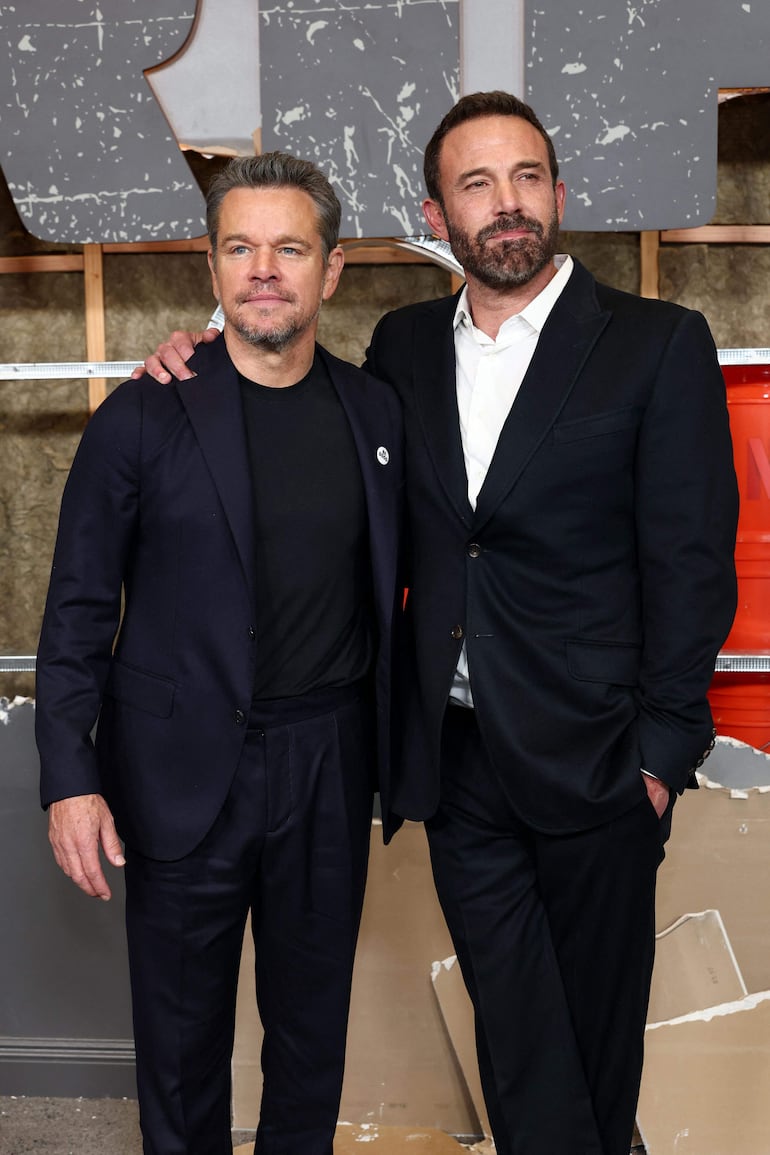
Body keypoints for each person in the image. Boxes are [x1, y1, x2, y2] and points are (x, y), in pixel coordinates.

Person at [139, 93, 738, 1155]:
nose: (505, 204)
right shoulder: (402, 349)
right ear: (436, 211)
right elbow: (304, 416)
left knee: (593, 1035)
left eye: (524, 178)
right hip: (454, 759)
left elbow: (688, 560)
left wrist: (659, 749)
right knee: (511, 1024)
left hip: (597, 754)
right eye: (476, 184)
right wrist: (191, 359)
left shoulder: (655, 344)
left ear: (556, 192)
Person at [35, 153, 404, 1155]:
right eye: (239, 247)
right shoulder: (140, 418)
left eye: (290, 247)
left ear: (330, 271)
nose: (263, 270)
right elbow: (74, 611)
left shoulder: (376, 416)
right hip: (179, 770)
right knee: (182, 1044)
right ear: (210, 265)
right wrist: (69, 779)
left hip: (328, 765)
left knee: (307, 1039)